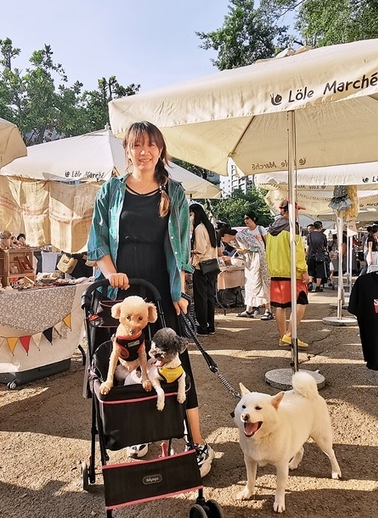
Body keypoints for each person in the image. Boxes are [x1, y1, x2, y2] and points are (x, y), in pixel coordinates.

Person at [86, 121, 213, 476]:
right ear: (127, 150)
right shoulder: (109, 191)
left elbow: (180, 246)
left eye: (151, 145)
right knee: (128, 364)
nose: (143, 151)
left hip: (159, 288)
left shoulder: (174, 191)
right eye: (136, 145)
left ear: (160, 151)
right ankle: (138, 432)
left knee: (174, 364)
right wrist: (110, 271)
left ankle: (197, 441)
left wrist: (181, 291)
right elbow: (96, 241)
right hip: (121, 292)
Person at [266, 200, 312, 349]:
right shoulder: (293, 227)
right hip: (292, 272)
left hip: (276, 272)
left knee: (281, 306)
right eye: (297, 210)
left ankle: (282, 337)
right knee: (301, 302)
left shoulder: (270, 229)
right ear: (289, 211)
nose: (298, 213)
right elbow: (298, 252)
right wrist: (304, 271)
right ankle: (290, 334)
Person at [219, 223, 273, 320]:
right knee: (249, 285)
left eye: (223, 239)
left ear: (226, 235)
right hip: (250, 265)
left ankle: (268, 310)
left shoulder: (240, 236)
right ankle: (249, 309)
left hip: (259, 263)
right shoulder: (234, 241)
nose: (224, 241)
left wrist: (246, 250)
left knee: (262, 285)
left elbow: (258, 247)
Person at [189, 202, 219, 336]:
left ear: (195, 214)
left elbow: (200, 250)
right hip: (212, 265)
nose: (190, 217)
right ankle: (210, 325)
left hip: (201, 266)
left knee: (200, 297)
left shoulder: (199, 229)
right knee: (210, 297)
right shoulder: (210, 226)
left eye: (190, 214)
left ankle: (202, 326)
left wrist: (190, 251)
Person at [306, 221, 329, 292]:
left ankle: (310, 283)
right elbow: (326, 247)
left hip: (311, 255)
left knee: (310, 270)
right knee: (320, 272)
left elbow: (308, 246)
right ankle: (318, 287)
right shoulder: (323, 236)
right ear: (321, 227)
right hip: (320, 255)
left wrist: (307, 255)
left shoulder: (309, 235)